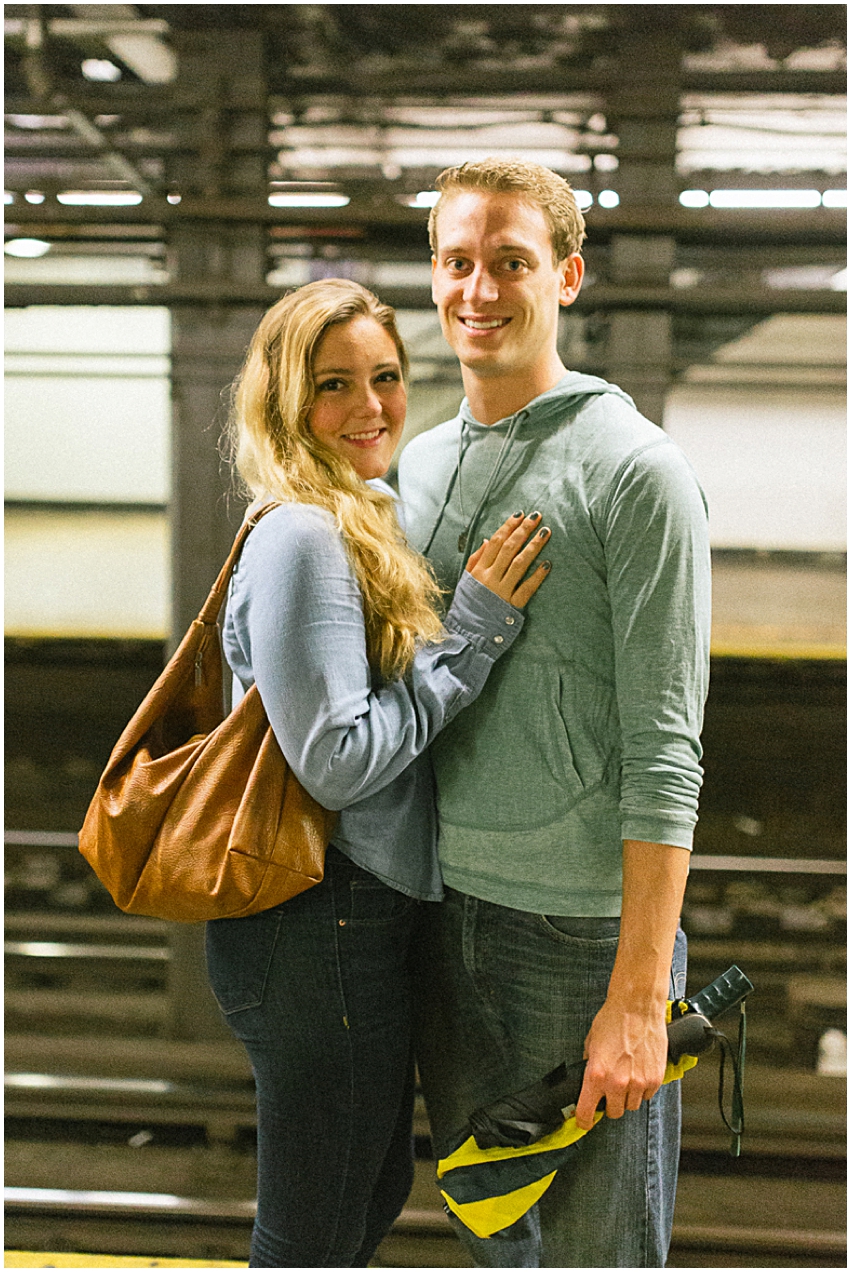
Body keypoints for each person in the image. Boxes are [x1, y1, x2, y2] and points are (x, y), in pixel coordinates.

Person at [397, 159, 712, 1267]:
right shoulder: (418, 467)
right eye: (455, 261)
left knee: (597, 1254)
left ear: (566, 277)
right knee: (492, 1236)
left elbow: (665, 752)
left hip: (579, 942)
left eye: (509, 262)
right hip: (439, 914)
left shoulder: (634, 473)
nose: (476, 290)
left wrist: (636, 996)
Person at [203, 277, 552, 1269]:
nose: (369, 408)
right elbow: (337, 761)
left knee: (362, 1198)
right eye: (332, 386)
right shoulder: (307, 537)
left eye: (386, 378)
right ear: (283, 401)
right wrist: (474, 632)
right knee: (316, 1225)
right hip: (315, 922)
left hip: (339, 921)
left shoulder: (352, 515)